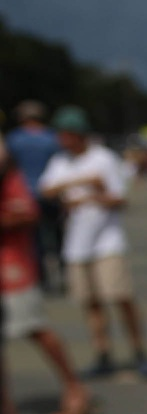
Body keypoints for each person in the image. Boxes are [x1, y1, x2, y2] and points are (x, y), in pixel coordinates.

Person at [36, 106, 147, 380]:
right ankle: (102, 351)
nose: (62, 140)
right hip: (76, 243)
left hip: (106, 241)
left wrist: (90, 196)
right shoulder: (60, 161)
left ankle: (139, 351)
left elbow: (120, 199)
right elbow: (46, 189)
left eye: (66, 135)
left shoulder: (103, 158)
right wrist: (84, 182)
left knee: (120, 296)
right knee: (90, 302)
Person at [0, 136, 93, 414]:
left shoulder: (10, 177)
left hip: (12, 267)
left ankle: (74, 388)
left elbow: (27, 212)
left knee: (35, 327)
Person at [5, 101, 62, 292]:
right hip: (50, 193)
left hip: (24, 196)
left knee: (34, 240)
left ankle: (39, 278)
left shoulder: (14, 139)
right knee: (56, 236)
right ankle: (61, 273)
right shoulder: (51, 138)